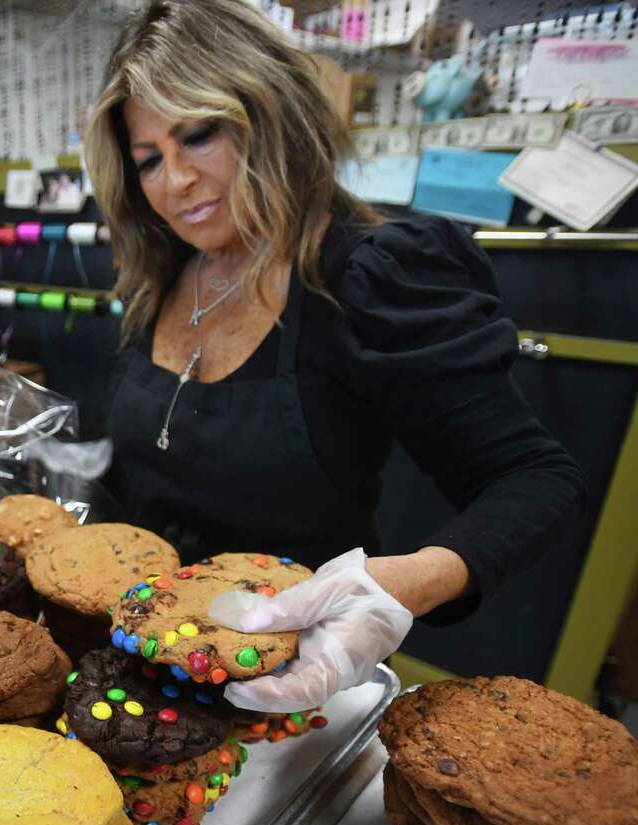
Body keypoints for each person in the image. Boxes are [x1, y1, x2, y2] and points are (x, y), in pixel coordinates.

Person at [85, 0, 585, 712]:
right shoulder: (165, 269)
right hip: (147, 657)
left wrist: (399, 585)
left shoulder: (370, 276)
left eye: (198, 137)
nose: (176, 181)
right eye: (148, 161)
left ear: (273, 118)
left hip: (295, 672)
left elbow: (537, 479)